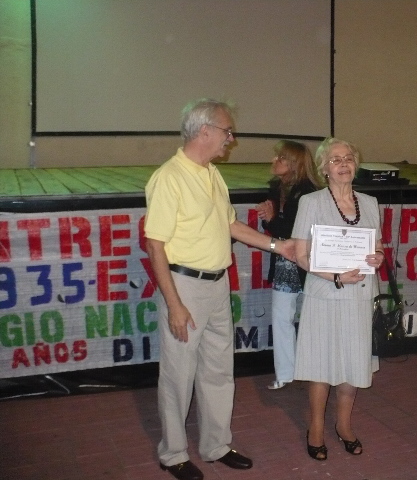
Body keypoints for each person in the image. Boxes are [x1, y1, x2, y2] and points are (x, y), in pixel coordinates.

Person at [144, 98, 295, 480]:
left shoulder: (211, 174)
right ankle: (173, 454)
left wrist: (280, 246)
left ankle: (215, 445)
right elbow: (155, 245)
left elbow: (232, 226)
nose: (231, 139)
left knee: (218, 371)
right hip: (184, 287)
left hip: (216, 285)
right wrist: (175, 304)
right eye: (228, 131)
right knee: (178, 375)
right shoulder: (169, 177)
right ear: (205, 131)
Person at [291, 137, 385, 461]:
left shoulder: (370, 202)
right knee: (322, 364)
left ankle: (343, 424)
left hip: (360, 296)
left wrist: (378, 257)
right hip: (324, 295)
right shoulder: (311, 202)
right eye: (335, 160)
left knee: (353, 364)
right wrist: (334, 276)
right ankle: (316, 428)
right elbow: (300, 255)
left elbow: (378, 246)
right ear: (324, 169)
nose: (343, 164)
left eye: (348, 158)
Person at [255, 140, 321, 390]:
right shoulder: (275, 188)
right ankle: (285, 373)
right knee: (281, 318)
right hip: (284, 262)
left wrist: (272, 219)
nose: (274, 161)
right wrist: (268, 218)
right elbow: (275, 229)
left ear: (294, 164)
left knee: (312, 319)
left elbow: (298, 231)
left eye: (281, 158)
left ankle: (315, 370)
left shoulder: (309, 193)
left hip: (308, 264)